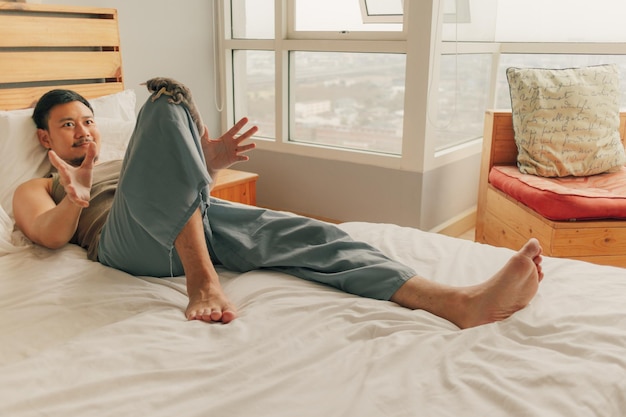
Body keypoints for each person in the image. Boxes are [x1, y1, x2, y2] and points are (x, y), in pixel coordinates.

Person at [12, 84, 544, 330]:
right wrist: (77, 197)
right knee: (164, 99)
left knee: (318, 235)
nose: (83, 131)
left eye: (88, 120)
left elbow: (180, 193)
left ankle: (455, 301)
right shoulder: (37, 185)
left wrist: (208, 165)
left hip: (194, 220)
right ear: (44, 137)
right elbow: (50, 237)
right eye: (67, 124)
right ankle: (203, 281)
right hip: (127, 241)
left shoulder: (134, 157)